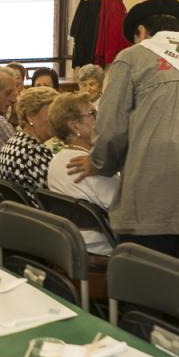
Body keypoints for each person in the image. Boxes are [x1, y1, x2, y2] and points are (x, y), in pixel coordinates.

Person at [68, 0, 179, 262]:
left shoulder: (132, 58)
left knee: (143, 282)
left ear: (141, 31)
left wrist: (98, 162)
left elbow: (111, 126)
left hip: (150, 204)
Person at [46, 93, 119, 255]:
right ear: (75, 126)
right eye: (92, 114)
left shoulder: (57, 159)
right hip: (101, 250)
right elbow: (124, 209)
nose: (99, 119)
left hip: (71, 245)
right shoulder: (87, 165)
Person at [0, 86, 59, 202]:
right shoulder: (34, 151)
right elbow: (59, 196)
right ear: (31, 117)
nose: (57, 119)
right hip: (37, 213)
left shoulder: (14, 142)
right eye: (52, 112)